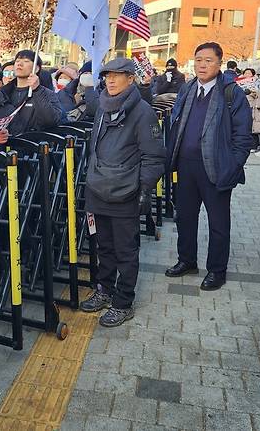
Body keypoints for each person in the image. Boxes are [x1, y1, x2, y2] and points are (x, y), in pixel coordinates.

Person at [79, 58, 165, 327]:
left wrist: (144, 191)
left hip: (126, 192)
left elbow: (154, 157)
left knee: (126, 250)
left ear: (131, 79)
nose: (111, 81)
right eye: (107, 76)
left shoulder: (143, 112)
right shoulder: (103, 106)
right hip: (98, 188)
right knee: (103, 245)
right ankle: (104, 290)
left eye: (118, 76)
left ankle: (123, 301)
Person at [165, 42, 252, 291]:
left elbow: (243, 136)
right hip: (186, 166)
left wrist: (233, 165)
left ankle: (217, 270)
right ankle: (187, 260)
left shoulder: (231, 93)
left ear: (219, 63)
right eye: (198, 59)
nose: (202, 65)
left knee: (218, 223)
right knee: (185, 217)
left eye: (208, 60)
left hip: (216, 168)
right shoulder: (188, 88)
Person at [1, 49, 64, 135]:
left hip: (33, 143)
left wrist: (37, 90)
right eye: (17, 61)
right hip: (7, 143)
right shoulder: (3, 92)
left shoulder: (46, 93)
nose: (19, 64)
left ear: (36, 68)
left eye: (26, 61)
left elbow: (51, 121)